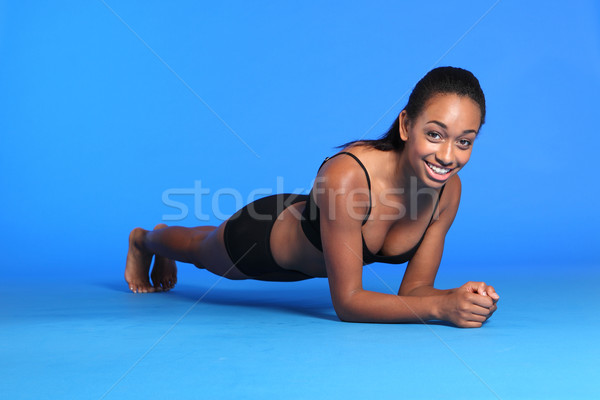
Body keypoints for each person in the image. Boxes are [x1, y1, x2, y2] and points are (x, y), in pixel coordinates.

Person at [125, 66, 499, 328]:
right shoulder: (347, 176)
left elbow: (416, 292)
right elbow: (349, 302)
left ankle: (156, 241)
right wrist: (441, 308)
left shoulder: (448, 192)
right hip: (265, 240)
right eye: (435, 134)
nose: (448, 156)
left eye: (464, 141)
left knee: (200, 247)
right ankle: (146, 239)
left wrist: (461, 298)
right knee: (199, 249)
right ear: (405, 125)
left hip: (316, 256)